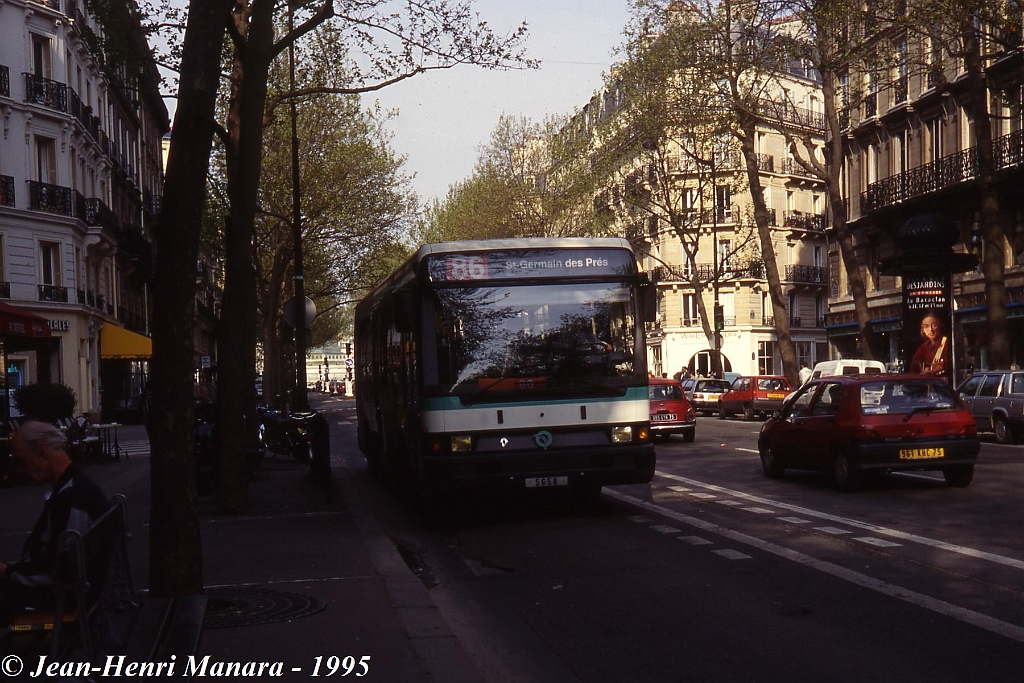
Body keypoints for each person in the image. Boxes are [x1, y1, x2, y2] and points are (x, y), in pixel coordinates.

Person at [0, 421, 109, 625]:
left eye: (21, 461)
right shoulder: (78, 487)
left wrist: (8, 571)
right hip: (78, 591)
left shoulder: (71, 499)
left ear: (41, 451)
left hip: (64, 599)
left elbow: (60, 575)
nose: (20, 470)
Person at [910, 311, 950, 376]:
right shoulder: (923, 347)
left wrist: (930, 370)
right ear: (923, 330)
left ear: (940, 326)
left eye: (934, 325)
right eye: (926, 326)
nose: (930, 329)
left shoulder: (946, 343)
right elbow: (913, 367)